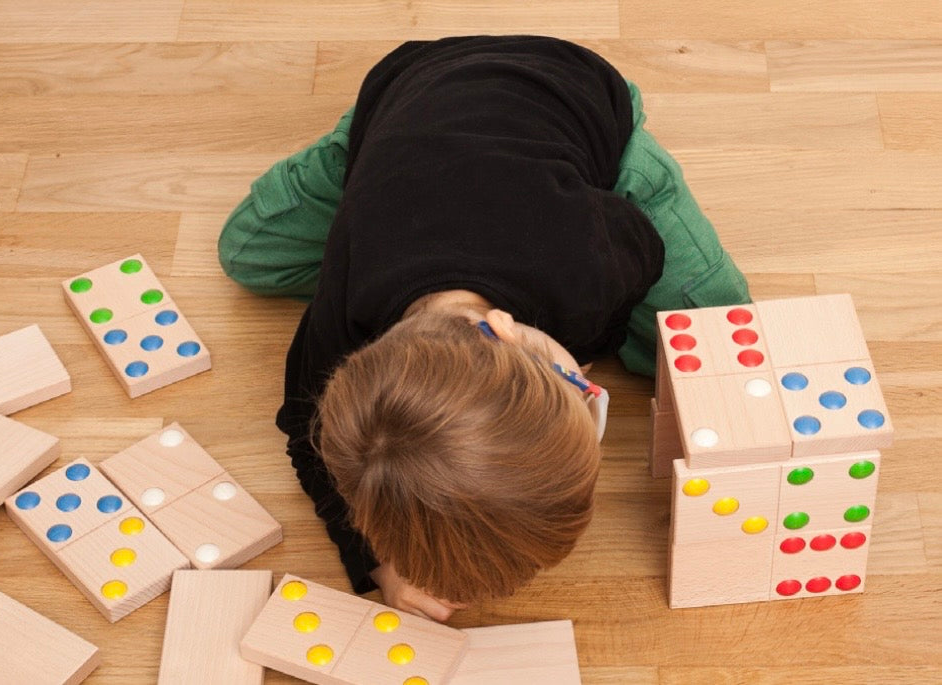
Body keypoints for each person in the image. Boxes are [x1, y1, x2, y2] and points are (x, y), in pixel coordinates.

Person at [217, 35, 750, 621]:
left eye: (584, 393)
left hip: (568, 96)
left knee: (713, 334)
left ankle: (367, 154)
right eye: (586, 398)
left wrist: (593, 343)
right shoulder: (341, 318)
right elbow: (305, 434)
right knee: (246, 257)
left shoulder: (588, 265)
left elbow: (641, 245)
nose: (590, 389)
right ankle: (362, 157)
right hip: (405, 126)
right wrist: (377, 562)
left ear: (509, 330)